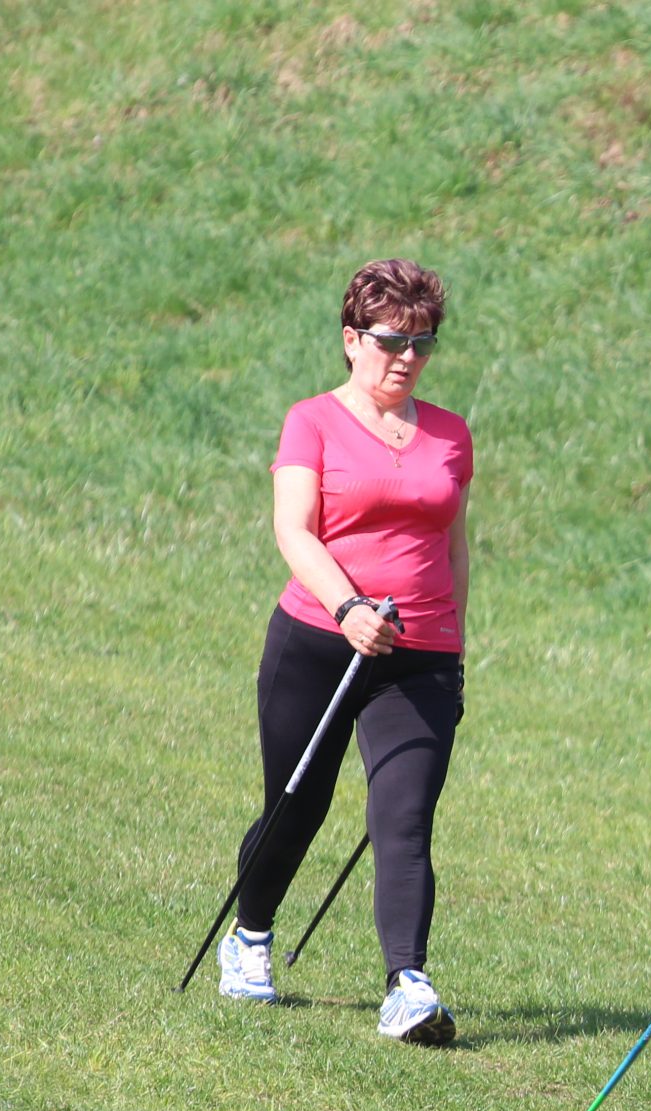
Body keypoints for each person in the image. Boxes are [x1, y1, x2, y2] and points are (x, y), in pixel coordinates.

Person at [212, 258, 472, 1045]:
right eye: (393, 340)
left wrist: (454, 639)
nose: (409, 357)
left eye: (424, 344)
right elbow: (295, 528)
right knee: (298, 802)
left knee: (404, 817)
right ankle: (249, 935)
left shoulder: (452, 433)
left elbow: (454, 541)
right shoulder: (312, 421)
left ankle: (408, 985)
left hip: (420, 651)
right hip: (321, 640)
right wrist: (349, 606)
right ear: (353, 339)